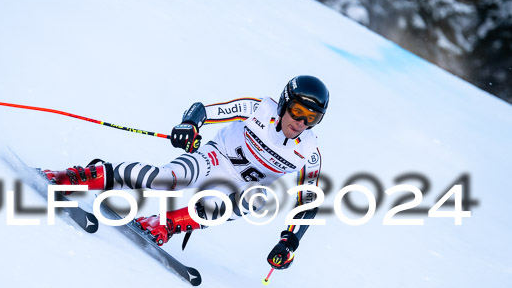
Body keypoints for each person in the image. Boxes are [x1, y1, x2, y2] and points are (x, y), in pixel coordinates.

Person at [43, 75, 328, 271]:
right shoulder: (257, 109)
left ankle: (162, 224)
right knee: (164, 179)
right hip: (215, 158)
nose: (301, 122)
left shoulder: (309, 152)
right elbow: (204, 110)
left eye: (311, 118)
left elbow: (309, 201)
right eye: (298, 110)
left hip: (236, 189)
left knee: (257, 199)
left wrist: (289, 241)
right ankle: (76, 177)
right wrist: (190, 126)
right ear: (284, 102)